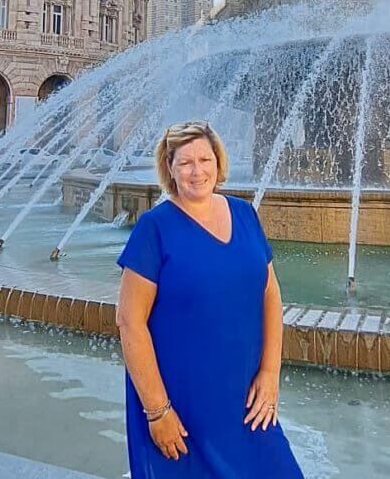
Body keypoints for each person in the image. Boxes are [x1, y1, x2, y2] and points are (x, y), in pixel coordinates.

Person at [116, 121, 304, 478]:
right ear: (169, 168)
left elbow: (270, 294)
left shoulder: (245, 214)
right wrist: (158, 411)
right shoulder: (153, 228)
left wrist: (270, 371)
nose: (197, 171)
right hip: (181, 405)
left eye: (205, 159)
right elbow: (130, 322)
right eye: (185, 162)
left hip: (246, 397)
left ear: (218, 162)